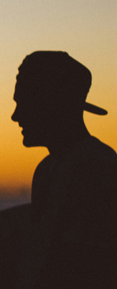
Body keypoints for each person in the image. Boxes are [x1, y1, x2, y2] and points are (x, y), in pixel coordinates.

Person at [11, 51, 117, 288]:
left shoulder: (97, 168)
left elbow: (87, 267)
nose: (15, 116)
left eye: (24, 104)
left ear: (53, 106)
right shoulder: (48, 169)